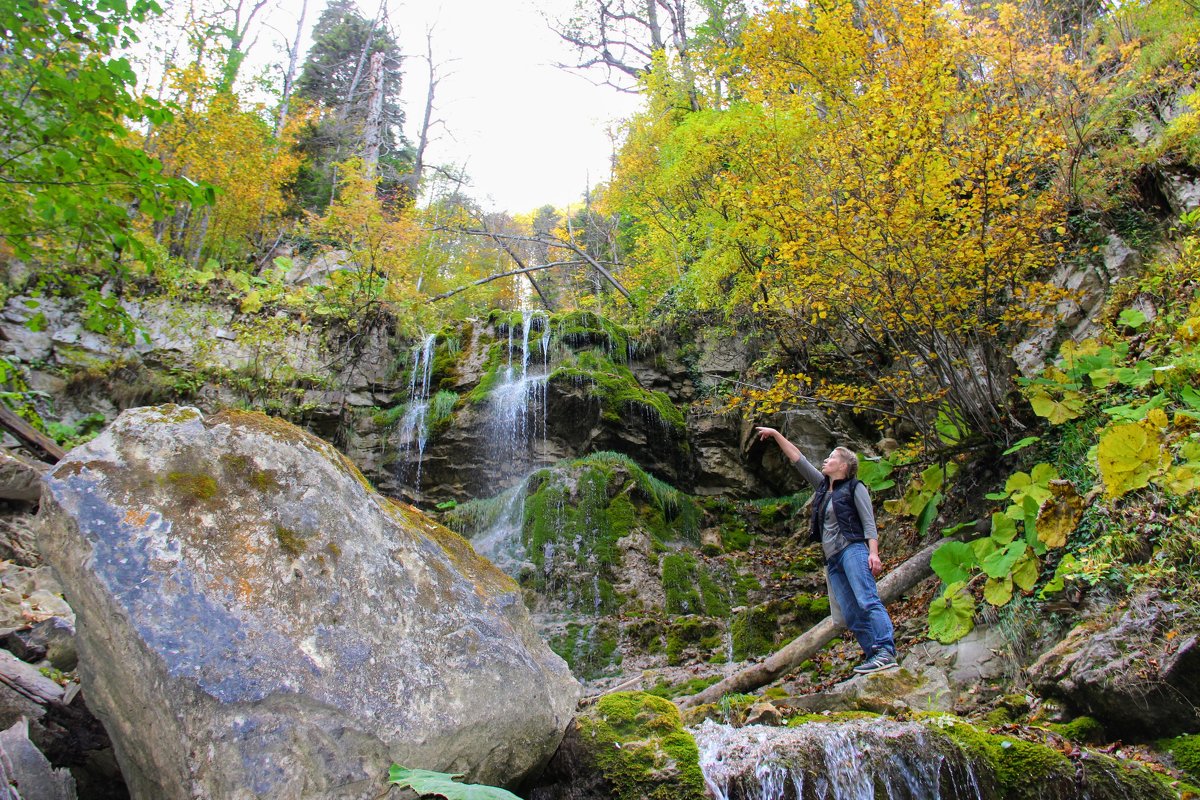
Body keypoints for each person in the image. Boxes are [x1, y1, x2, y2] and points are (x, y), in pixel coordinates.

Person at [755, 426, 898, 674]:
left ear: (843, 466)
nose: (826, 460)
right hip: (832, 560)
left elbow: (869, 523)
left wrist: (873, 553)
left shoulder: (855, 487)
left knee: (867, 600)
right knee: (850, 614)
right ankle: (873, 655)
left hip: (852, 550)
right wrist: (777, 435)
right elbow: (797, 458)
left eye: (831, 457)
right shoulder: (822, 487)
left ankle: (886, 650)